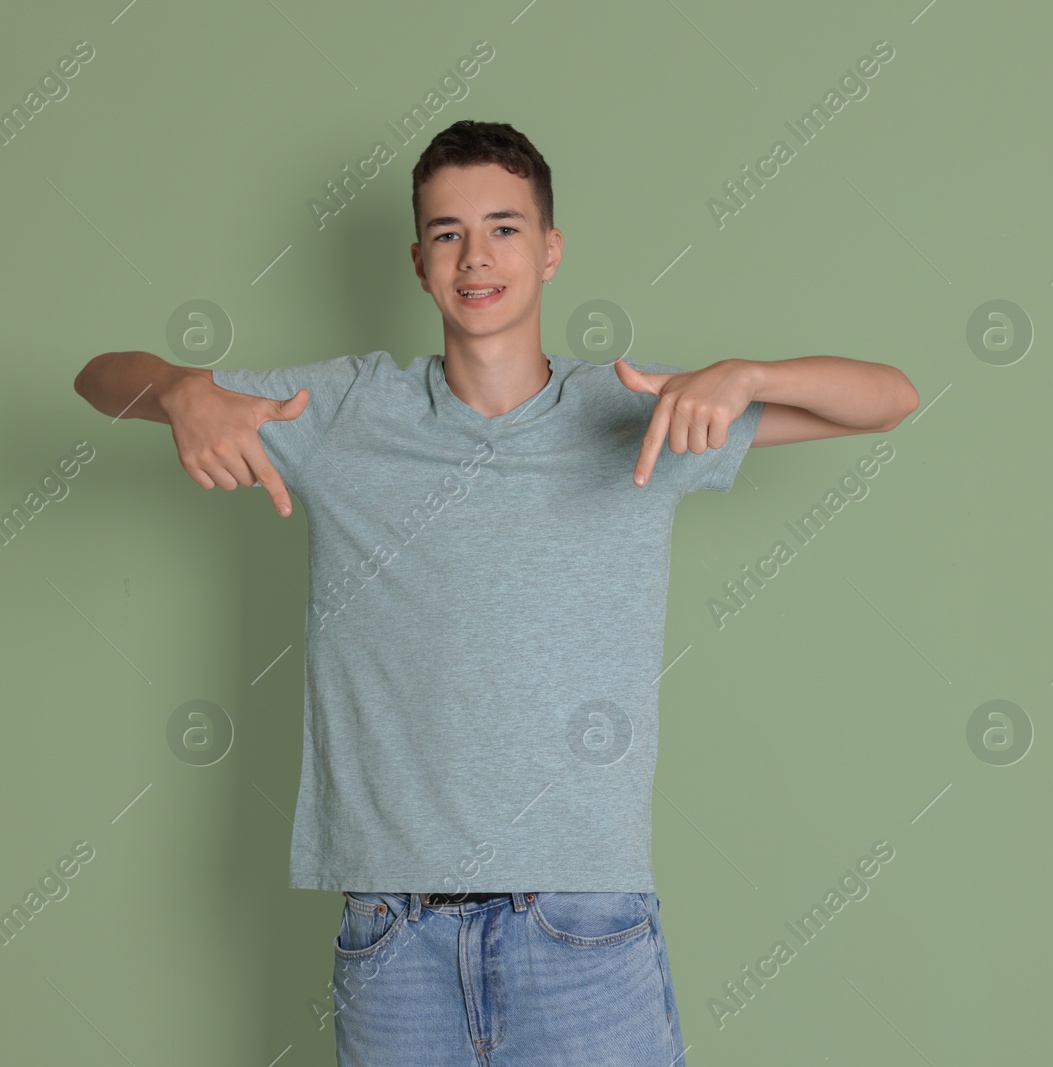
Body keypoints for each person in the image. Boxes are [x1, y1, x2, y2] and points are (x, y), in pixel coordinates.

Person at [73, 119, 918, 1066]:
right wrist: (182, 387)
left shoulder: (641, 407)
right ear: (420, 261)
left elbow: (890, 398)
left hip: (582, 926)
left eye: (505, 228)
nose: (476, 255)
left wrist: (748, 372)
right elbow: (99, 380)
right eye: (448, 233)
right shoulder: (342, 411)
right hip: (392, 935)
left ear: (551, 250)